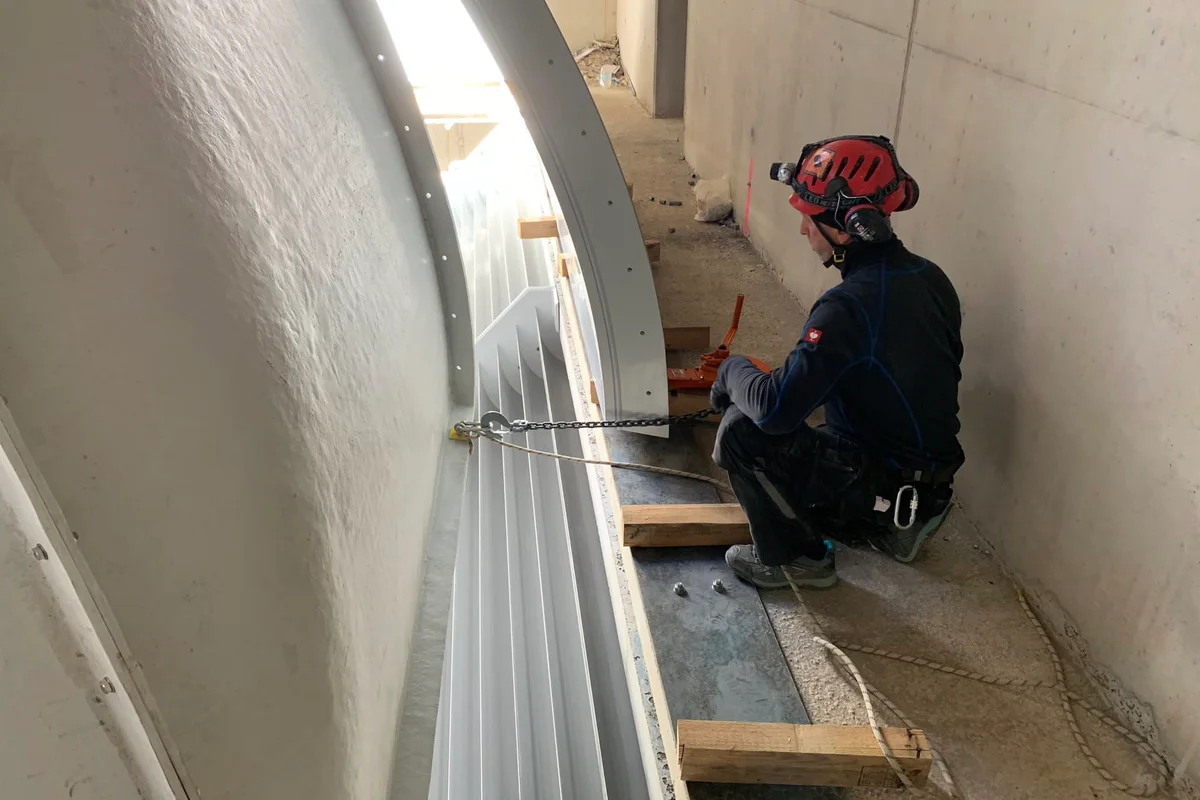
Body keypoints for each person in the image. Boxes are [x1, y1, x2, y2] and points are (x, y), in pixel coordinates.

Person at [710, 135, 964, 589]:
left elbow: (773, 411)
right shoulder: (930, 277)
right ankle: (901, 520)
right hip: (924, 487)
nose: (804, 230)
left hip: (883, 490)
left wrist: (732, 370)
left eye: (810, 219)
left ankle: (801, 560)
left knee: (742, 431)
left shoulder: (848, 307)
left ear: (848, 227)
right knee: (787, 408)